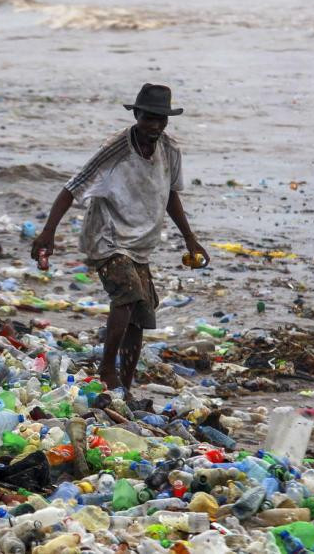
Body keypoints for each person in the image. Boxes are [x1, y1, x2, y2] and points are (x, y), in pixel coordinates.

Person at [31, 83, 208, 397]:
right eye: (149, 118)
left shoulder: (170, 150)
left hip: (140, 243)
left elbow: (170, 196)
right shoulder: (117, 148)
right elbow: (72, 188)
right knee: (127, 294)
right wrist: (48, 233)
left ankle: (124, 386)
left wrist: (190, 239)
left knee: (141, 314)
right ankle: (107, 368)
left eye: (160, 120)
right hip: (106, 237)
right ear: (137, 114)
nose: (154, 126)